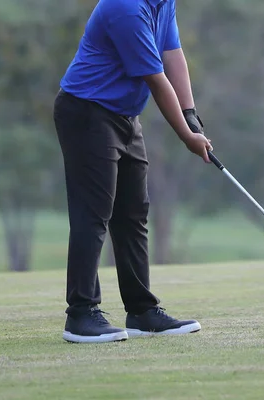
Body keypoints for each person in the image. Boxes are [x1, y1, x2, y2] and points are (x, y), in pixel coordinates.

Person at [53, 0, 212, 343]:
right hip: (87, 112)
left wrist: (190, 113)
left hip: (124, 116)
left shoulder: (162, 2)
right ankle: (81, 315)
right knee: (93, 214)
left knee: (133, 214)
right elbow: (155, 78)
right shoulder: (125, 7)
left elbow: (172, 54)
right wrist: (186, 136)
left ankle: (141, 311)